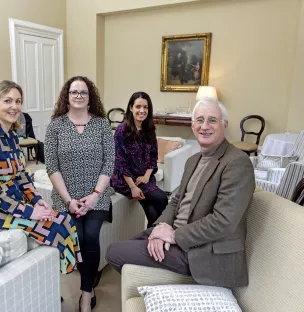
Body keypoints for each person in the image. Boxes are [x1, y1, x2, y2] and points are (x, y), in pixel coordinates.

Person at [106, 98, 255, 288]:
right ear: (193, 125)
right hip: (178, 235)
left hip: (204, 251)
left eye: (212, 120)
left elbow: (223, 222)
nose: (205, 126)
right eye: (199, 120)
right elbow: (176, 201)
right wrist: (161, 227)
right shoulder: (193, 160)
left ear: (225, 124)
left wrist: (175, 236)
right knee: (132, 242)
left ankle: (179, 288)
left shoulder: (237, 163)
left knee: (114, 252)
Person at [0, 80, 82, 276]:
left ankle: (68, 273)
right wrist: (30, 212)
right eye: (8, 101)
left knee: (65, 219)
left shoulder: (11, 135)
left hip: (14, 204)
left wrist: (39, 202)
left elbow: (21, 177)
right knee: (57, 228)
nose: (14, 107)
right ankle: (59, 277)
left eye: (18, 101)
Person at [44, 76, 114, 312]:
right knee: (77, 238)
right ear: (67, 96)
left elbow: (109, 162)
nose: (79, 96)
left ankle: (85, 294)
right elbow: (51, 167)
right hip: (66, 198)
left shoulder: (102, 124)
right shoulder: (55, 126)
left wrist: (95, 195)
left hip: (97, 195)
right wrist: (69, 200)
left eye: (83, 92)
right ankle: (89, 287)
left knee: (90, 237)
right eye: (74, 92)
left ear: (90, 96)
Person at [111, 91, 168, 229]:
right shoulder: (121, 130)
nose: (142, 111)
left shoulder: (149, 129)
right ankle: (153, 236)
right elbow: (119, 162)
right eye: (138, 107)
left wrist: (147, 176)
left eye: (145, 107)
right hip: (125, 180)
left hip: (144, 178)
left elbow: (154, 156)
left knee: (152, 212)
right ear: (131, 108)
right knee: (162, 198)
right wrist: (133, 187)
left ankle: (151, 237)